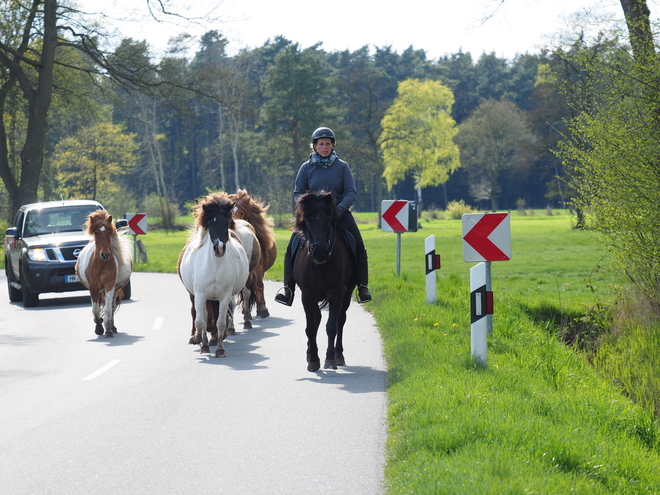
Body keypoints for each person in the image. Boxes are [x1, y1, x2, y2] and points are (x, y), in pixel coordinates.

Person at [275, 126, 372, 306]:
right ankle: (288, 289)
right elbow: (297, 193)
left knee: (358, 245)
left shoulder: (342, 167)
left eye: (328, 143)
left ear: (333, 145)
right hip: (312, 218)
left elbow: (351, 191)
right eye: (321, 144)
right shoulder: (306, 167)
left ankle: (362, 286)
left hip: (339, 215)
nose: (325, 147)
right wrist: (307, 209)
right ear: (315, 146)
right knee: (292, 247)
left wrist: (338, 209)